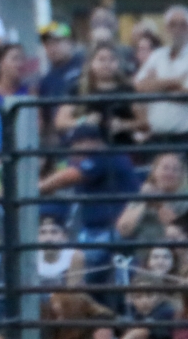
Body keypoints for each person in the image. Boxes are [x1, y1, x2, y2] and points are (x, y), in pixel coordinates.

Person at [37, 124, 139, 304]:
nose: (72, 152)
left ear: (91, 142)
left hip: (111, 231)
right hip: (92, 231)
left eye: (75, 145)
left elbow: (68, 177)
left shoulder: (105, 156)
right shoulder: (89, 160)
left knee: (84, 276)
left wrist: (33, 188)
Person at [134, 5, 188, 156]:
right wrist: (176, 81)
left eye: (183, 24)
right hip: (158, 137)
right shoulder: (157, 55)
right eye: (172, 24)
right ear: (166, 29)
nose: (177, 29)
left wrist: (156, 85)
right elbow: (139, 86)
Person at [55, 40, 143, 146]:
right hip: (88, 148)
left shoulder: (127, 89)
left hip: (121, 146)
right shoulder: (77, 89)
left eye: (112, 59)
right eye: (101, 59)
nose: (107, 64)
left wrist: (123, 125)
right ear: (91, 62)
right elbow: (60, 122)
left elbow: (144, 122)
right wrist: (83, 121)